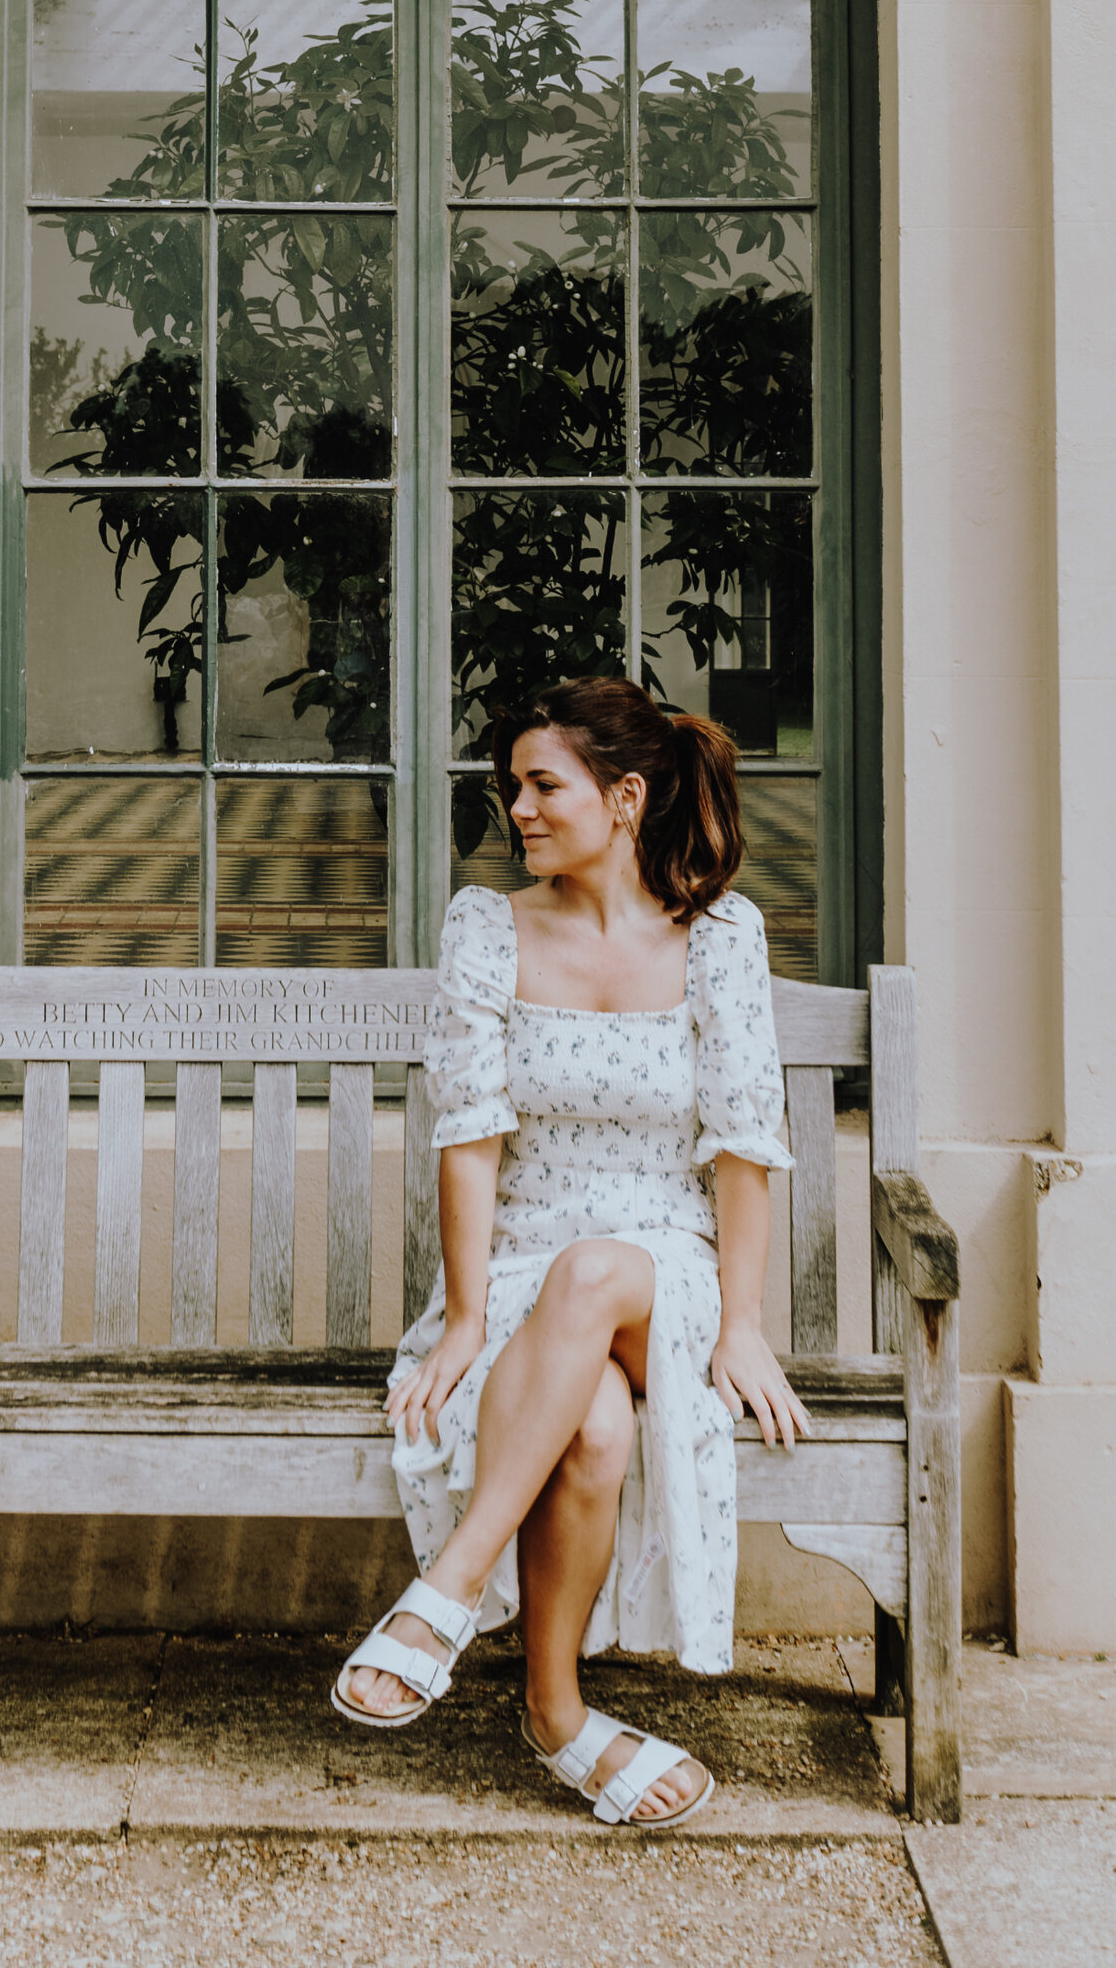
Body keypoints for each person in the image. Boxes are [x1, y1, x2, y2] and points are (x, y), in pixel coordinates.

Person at [330, 674, 812, 1829]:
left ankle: (442, 1597)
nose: (521, 811)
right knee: (591, 1422)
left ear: (626, 794)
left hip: (666, 1275)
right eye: (514, 791)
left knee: (597, 1272)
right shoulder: (486, 928)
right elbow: (470, 1140)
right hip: (524, 1276)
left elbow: (744, 1149)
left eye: (544, 786)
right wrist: (458, 1322)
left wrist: (742, 1326)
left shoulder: (720, 939)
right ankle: (557, 1717)